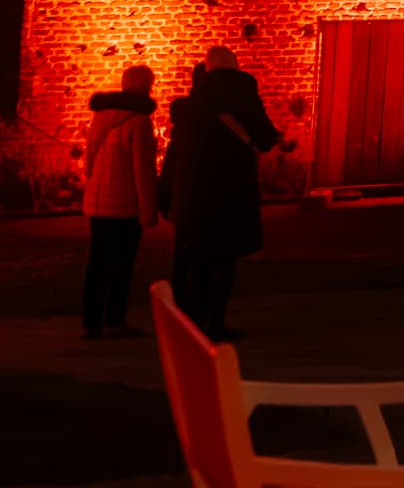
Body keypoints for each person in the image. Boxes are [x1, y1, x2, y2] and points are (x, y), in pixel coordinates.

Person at [165, 45, 286, 341]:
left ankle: (192, 320)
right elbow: (265, 136)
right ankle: (215, 322)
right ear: (234, 66)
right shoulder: (241, 93)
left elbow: (175, 155)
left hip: (194, 196)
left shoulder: (191, 106)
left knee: (198, 261)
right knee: (224, 262)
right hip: (230, 192)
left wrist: (167, 195)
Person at [78, 64, 160, 339]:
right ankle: (114, 318)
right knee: (122, 264)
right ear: (146, 86)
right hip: (124, 203)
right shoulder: (139, 121)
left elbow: (89, 162)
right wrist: (149, 209)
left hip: (98, 202)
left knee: (97, 262)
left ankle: (92, 321)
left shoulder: (100, 117)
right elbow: (143, 170)